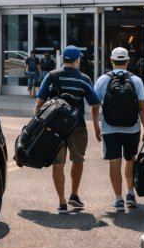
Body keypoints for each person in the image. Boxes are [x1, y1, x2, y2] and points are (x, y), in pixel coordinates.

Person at [35, 45, 101, 214]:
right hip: (77, 126)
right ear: (77, 60)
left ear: (62, 59)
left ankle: (62, 202)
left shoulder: (51, 76)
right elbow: (95, 103)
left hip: (54, 129)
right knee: (78, 160)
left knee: (58, 164)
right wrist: (96, 126)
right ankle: (74, 194)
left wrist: (38, 125)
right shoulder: (83, 79)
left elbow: (39, 103)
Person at [91, 47, 144, 212]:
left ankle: (118, 199)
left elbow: (95, 107)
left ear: (111, 60)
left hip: (109, 129)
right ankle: (130, 194)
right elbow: (142, 108)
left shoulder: (102, 80)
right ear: (128, 61)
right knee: (130, 160)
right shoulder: (136, 80)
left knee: (114, 164)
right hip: (132, 128)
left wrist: (96, 127)